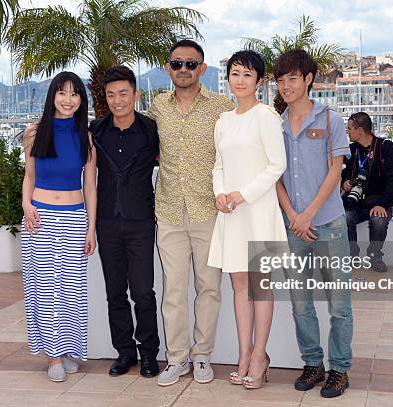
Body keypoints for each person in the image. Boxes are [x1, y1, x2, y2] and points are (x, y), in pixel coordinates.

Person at [146, 39, 234, 387]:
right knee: (174, 290)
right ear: (168, 68)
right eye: (177, 63)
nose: (184, 69)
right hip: (168, 211)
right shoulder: (157, 107)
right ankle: (177, 359)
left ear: (203, 68)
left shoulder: (222, 107)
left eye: (191, 64)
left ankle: (202, 356)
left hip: (208, 211)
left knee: (209, 288)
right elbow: (133, 138)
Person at [274, 49, 353, 398]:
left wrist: (308, 214)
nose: (286, 85)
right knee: (300, 302)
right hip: (294, 227)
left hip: (329, 224)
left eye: (293, 78)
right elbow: (273, 176)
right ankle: (313, 363)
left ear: (308, 79)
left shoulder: (330, 120)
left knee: (339, 303)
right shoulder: (274, 125)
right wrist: (294, 216)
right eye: (281, 79)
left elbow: (336, 171)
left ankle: (340, 369)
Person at [207, 50, 286, 389]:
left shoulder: (267, 116)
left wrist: (243, 194)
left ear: (259, 80)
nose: (239, 80)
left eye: (247, 75)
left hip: (258, 211)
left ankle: (260, 355)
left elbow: (276, 164)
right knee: (240, 285)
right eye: (235, 73)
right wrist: (221, 193)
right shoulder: (224, 121)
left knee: (260, 285)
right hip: (231, 213)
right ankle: (243, 353)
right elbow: (218, 166)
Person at [20, 71, 97, 382]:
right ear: (53, 96)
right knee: (45, 288)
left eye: (75, 94)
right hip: (39, 218)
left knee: (72, 290)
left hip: (74, 217)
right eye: (62, 93)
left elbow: (90, 187)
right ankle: (53, 357)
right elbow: (29, 176)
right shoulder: (33, 133)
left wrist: (91, 228)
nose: (69, 100)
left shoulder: (85, 137)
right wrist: (26, 205)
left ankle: (69, 350)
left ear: (82, 99)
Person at [90, 66, 160, 378]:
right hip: (107, 222)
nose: (118, 100)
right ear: (105, 98)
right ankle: (124, 353)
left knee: (143, 292)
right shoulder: (96, 131)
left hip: (141, 221)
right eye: (111, 95)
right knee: (115, 292)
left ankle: (149, 354)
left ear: (135, 94)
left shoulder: (151, 130)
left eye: (123, 93)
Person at [342, 112, 393, 273]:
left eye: (349, 128)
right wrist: (346, 183)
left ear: (360, 130)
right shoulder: (351, 150)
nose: (346, 131)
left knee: (379, 220)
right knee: (345, 217)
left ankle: (375, 256)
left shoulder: (386, 148)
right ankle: (351, 255)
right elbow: (344, 173)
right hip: (356, 202)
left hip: (379, 201)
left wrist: (383, 204)